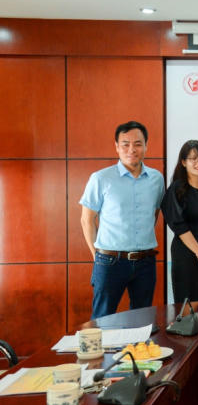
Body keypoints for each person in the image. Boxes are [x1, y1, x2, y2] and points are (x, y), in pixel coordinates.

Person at [80, 121, 164, 319]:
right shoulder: (100, 178)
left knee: (142, 319)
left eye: (138, 144)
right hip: (110, 261)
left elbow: (153, 214)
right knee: (102, 319)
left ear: (146, 146)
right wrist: (97, 256)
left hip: (145, 261)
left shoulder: (156, 179)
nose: (131, 149)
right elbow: (87, 220)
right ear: (117, 147)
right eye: (125, 144)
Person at [161, 140, 198, 302]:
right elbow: (178, 225)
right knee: (188, 303)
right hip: (186, 252)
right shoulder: (176, 189)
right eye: (193, 159)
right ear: (183, 162)